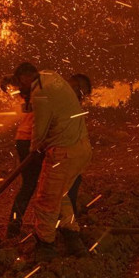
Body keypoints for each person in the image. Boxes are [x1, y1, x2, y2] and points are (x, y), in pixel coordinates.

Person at [12, 62, 91, 262]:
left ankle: (46, 247)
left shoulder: (41, 92)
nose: (20, 89)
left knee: (46, 199)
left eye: (20, 84)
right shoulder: (51, 76)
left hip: (63, 153)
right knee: (61, 195)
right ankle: (73, 239)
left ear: (24, 77)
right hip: (81, 150)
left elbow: (40, 127)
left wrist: (33, 149)